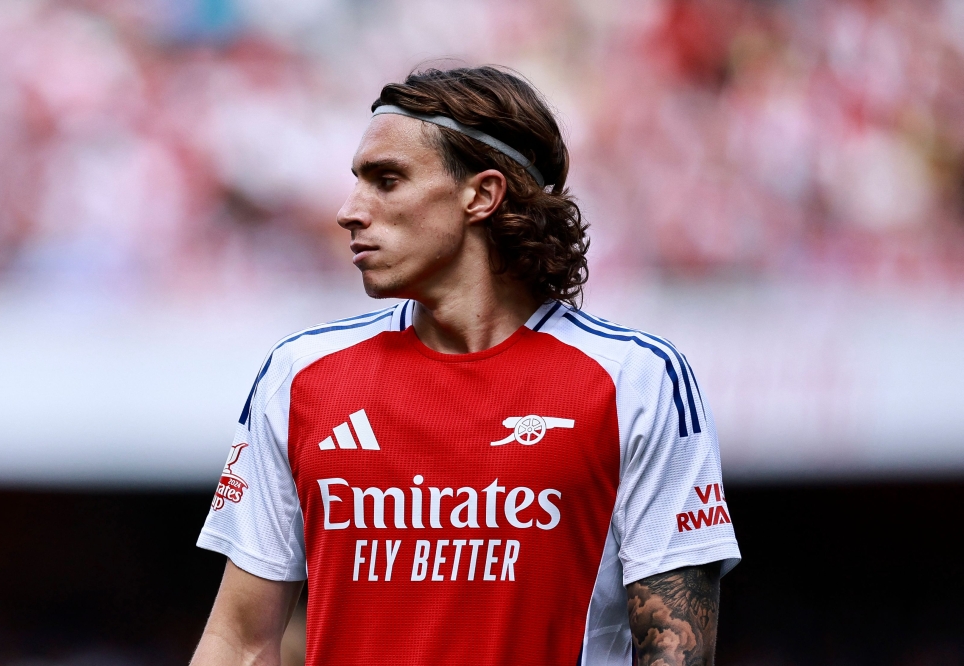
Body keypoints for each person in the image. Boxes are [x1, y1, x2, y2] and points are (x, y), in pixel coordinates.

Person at [190, 65, 740, 666]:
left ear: (482, 195)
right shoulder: (301, 375)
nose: (349, 211)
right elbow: (239, 643)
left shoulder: (636, 379)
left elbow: (677, 653)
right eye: (357, 182)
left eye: (387, 180)